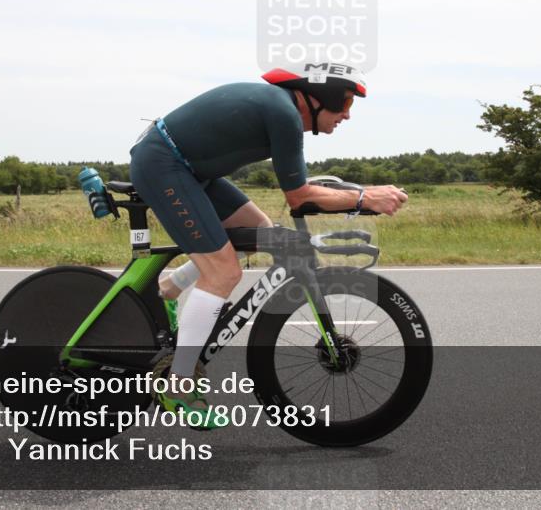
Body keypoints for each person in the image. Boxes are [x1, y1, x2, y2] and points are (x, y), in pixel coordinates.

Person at [128, 62, 408, 428]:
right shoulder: (284, 114)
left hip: (188, 170)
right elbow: (299, 196)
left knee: (262, 231)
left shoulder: (282, 110)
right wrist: (364, 198)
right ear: (318, 98)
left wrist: (359, 194)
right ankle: (177, 385)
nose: (347, 115)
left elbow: (302, 192)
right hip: (165, 164)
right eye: (344, 103)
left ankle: (170, 287)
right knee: (223, 272)